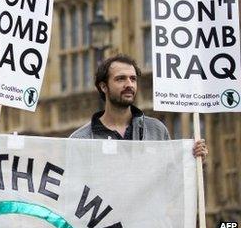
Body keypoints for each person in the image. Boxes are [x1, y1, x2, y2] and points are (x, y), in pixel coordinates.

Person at [70, 54, 208, 159]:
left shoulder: (157, 131)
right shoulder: (80, 140)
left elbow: (170, 178)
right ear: (104, 86)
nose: (129, 84)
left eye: (133, 79)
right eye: (121, 79)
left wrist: (193, 162)